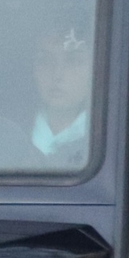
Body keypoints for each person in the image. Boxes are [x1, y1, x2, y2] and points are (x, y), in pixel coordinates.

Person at [29, 28, 93, 170]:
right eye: (45, 60)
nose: (57, 74)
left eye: (74, 61)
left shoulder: (120, 140)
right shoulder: (5, 132)